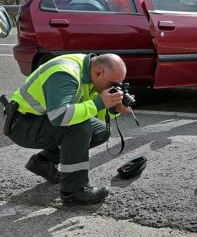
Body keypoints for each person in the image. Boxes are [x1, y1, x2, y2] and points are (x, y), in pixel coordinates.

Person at [4, 53, 130, 205]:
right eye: (113, 84)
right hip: (21, 124)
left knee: (101, 131)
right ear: (99, 73)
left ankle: (43, 162)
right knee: (78, 126)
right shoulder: (65, 73)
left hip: (40, 119)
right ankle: (74, 191)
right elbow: (60, 116)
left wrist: (113, 109)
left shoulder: (89, 70)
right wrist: (99, 103)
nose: (114, 88)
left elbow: (95, 115)